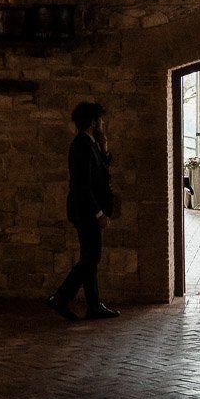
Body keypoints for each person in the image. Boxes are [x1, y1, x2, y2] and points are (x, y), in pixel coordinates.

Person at [47, 101, 120, 322]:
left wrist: (104, 150)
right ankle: (61, 296)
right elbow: (83, 185)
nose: (103, 123)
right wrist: (99, 214)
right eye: (100, 119)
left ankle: (93, 304)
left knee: (90, 257)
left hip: (86, 209)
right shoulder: (81, 146)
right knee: (90, 257)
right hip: (85, 210)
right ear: (92, 122)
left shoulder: (90, 144)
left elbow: (100, 176)